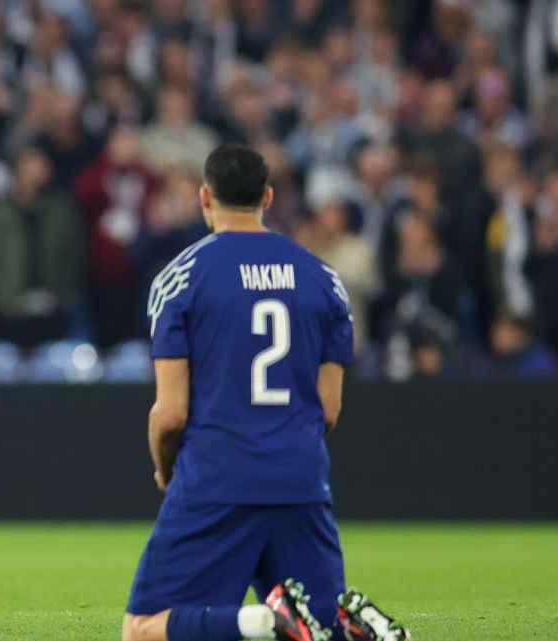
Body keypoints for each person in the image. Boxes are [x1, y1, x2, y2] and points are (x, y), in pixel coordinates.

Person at [123, 145, 410, 641]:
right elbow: (328, 410)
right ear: (268, 197)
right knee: (319, 628)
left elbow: (170, 414)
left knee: (143, 628)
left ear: (204, 197)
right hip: (300, 478)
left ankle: (261, 620)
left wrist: (165, 470)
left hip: (216, 478)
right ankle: (348, 631)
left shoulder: (180, 279)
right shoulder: (325, 281)